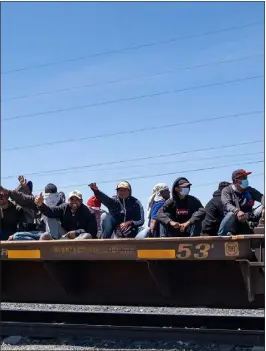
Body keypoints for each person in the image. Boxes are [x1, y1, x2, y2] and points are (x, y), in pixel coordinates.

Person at [0, 183, 66, 241]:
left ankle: (52, 240)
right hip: (41, 233)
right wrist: (8, 192)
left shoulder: (62, 206)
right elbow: (24, 198)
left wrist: (42, 205)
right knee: (16, 236)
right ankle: (37, 244)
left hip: (60, 236)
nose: (50, 200)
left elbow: (50, 212)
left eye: (52, 196)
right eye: (48, 196)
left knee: (50, 220)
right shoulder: (39, 200)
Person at [218, 169, 264, 236]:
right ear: (236, 181)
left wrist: (264, 207)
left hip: (247, 218)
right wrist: (237, 211)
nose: (246, 180)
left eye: (246, 178)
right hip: (233, 221)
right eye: (244, 178)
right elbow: (227, 204)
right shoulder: (227, 190)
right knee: (231, 214)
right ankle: (222, 236)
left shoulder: (249, 190)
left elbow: (262, 197)